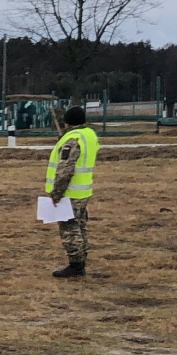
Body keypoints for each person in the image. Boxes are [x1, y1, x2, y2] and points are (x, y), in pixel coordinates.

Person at [46, 105, 100, 278]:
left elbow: (65, 169)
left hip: (70, 193)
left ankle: (76, 266)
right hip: (83, 191)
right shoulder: (89, 135)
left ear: (67, 122)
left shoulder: (72, 139)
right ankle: (81, 260)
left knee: (69, 228)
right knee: (81, 226)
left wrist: (56, 193)